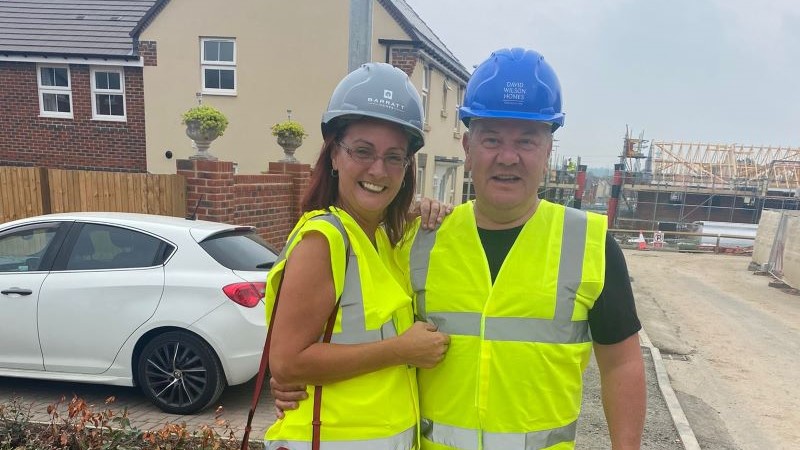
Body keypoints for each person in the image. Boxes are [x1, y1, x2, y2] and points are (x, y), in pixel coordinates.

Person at [274, 48, 646, 450]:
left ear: (548, 150)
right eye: (491, 139)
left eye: (526, 140)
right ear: (468, 148)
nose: (508, 157)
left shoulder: (590, 242)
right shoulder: (418, 239)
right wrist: (294, 373)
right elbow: (354, 338)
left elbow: (622, 363)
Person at [262, 62, 450, 450]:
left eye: (394, 157)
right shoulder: (324, 239)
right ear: (334, 156)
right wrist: (401, 350)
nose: (378, 170)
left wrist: (418, 209)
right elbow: (287, 363)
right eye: (362, 151)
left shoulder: (380, 240)